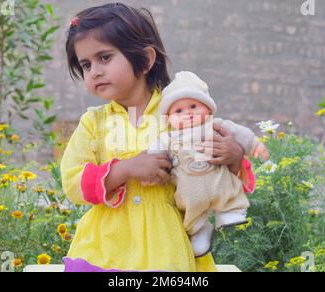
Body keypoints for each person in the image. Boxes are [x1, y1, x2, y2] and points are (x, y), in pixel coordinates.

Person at [60, 3, 255, 272]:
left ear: (146, 59)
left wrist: (233, 157)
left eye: (104, 57)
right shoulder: (93, 122)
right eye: (85, 64)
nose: (94, 71)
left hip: (166, 244)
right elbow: (73, 182)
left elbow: (214, 175)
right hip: (103, 247)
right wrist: (125, 169)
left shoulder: (181, 112)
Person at [147, 71, 268, 257]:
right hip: (189, 190)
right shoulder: (168, 137)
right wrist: (150, 166)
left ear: (208, 109)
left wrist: (255, 146)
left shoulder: (216, 125)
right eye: (178, 111)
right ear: (169, 118)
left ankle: (229, 214)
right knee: (191, 211)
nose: (187, 114)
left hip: (218, 179)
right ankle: (200, 230)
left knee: (228, 192)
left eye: (194, 106)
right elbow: (154, 153)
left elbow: (241, 134)